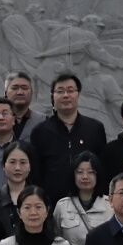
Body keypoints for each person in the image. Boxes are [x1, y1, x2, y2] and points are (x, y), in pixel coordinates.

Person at [29, 73, 107, 203]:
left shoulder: (95, 129)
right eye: (60, 91)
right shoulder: (40, 131)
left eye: (70, 90)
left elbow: (102, 168)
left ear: (78, 94)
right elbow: (36, 173)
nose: (66, 95)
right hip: (51, 203)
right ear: (53, 96)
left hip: (89, 203)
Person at [54, 150, 112, 245]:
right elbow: (56, 240)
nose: (85, 176)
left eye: (91, 172)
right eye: (79, 172)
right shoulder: (62, 206)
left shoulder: (110, 205)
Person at [4, 72, 37, 137]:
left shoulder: (43, 121)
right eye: (14, 88)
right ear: (6, 93)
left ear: (32, 93)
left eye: (24, 88)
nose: (20, 93)